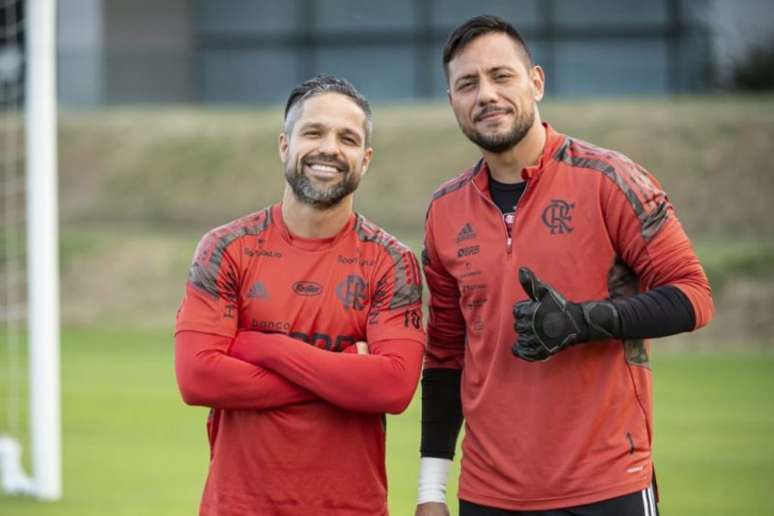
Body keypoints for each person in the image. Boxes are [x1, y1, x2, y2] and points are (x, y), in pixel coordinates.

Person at [415, 15, 714, 516]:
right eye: (467, 84)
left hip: (607, 485)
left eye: (501, 75)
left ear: (536, 82)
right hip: (488, 495)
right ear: (452, 104)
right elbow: (445, 355)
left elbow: (694, 296)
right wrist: (430, 491)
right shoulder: (444, 211)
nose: (485, 94)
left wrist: (583, 321)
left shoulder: (608, 179)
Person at [174, 74, 425, 516]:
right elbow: (197, 379)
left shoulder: (391, 261)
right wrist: (346, 374)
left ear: (364, 160)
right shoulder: (227, 248)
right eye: (313, 132)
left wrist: (259, 345)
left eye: (347, 138)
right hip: (238, 507)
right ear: (284, 145)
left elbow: (394, 387)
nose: (329, 147)